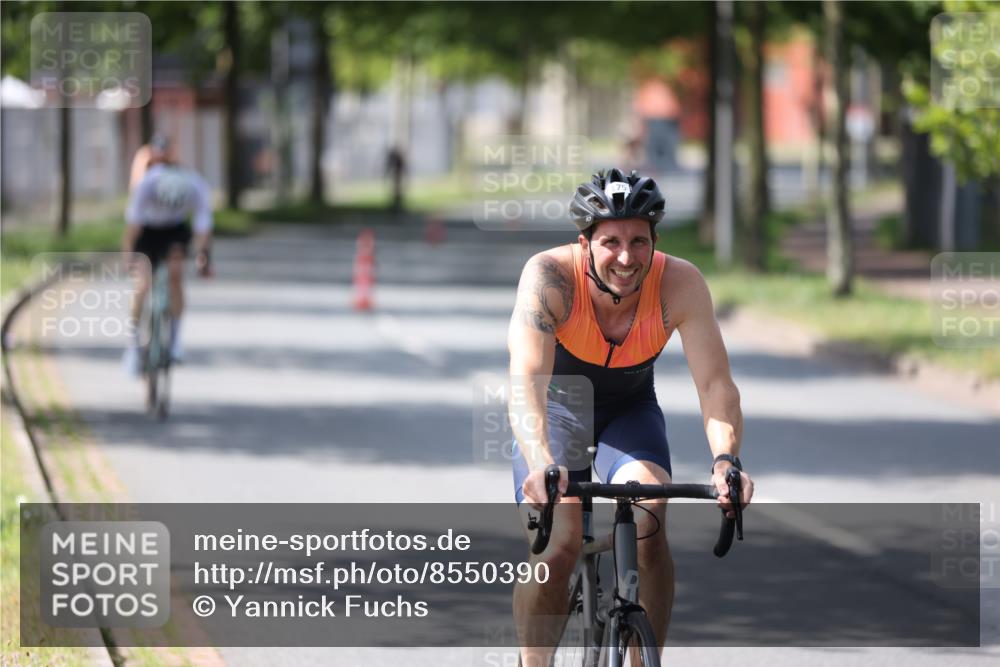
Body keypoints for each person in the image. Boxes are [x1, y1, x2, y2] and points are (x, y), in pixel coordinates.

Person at [508, 168, 754, 665]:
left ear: (655, 240)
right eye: (611, 241)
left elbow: (715, 385)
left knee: (650, 515)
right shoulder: (548, 278)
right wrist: (541, 462)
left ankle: (644, 656)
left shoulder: (679, 282)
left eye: (639, 241)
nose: (626, 257)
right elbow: (527, 383)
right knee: (561, 543)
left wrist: (726, 461)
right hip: (558, 409)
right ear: (584, 244)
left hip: (630, 409)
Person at [121, 134, 213, 376]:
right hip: (148, 230)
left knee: (175, 276)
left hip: (174, 230)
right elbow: (133, 225)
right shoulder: (147, 183)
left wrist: (204, 256)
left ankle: (174, 342)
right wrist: (128, 255)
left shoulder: (194, 184)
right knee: (142, 285)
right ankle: (132, 347)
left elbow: (202, 225)